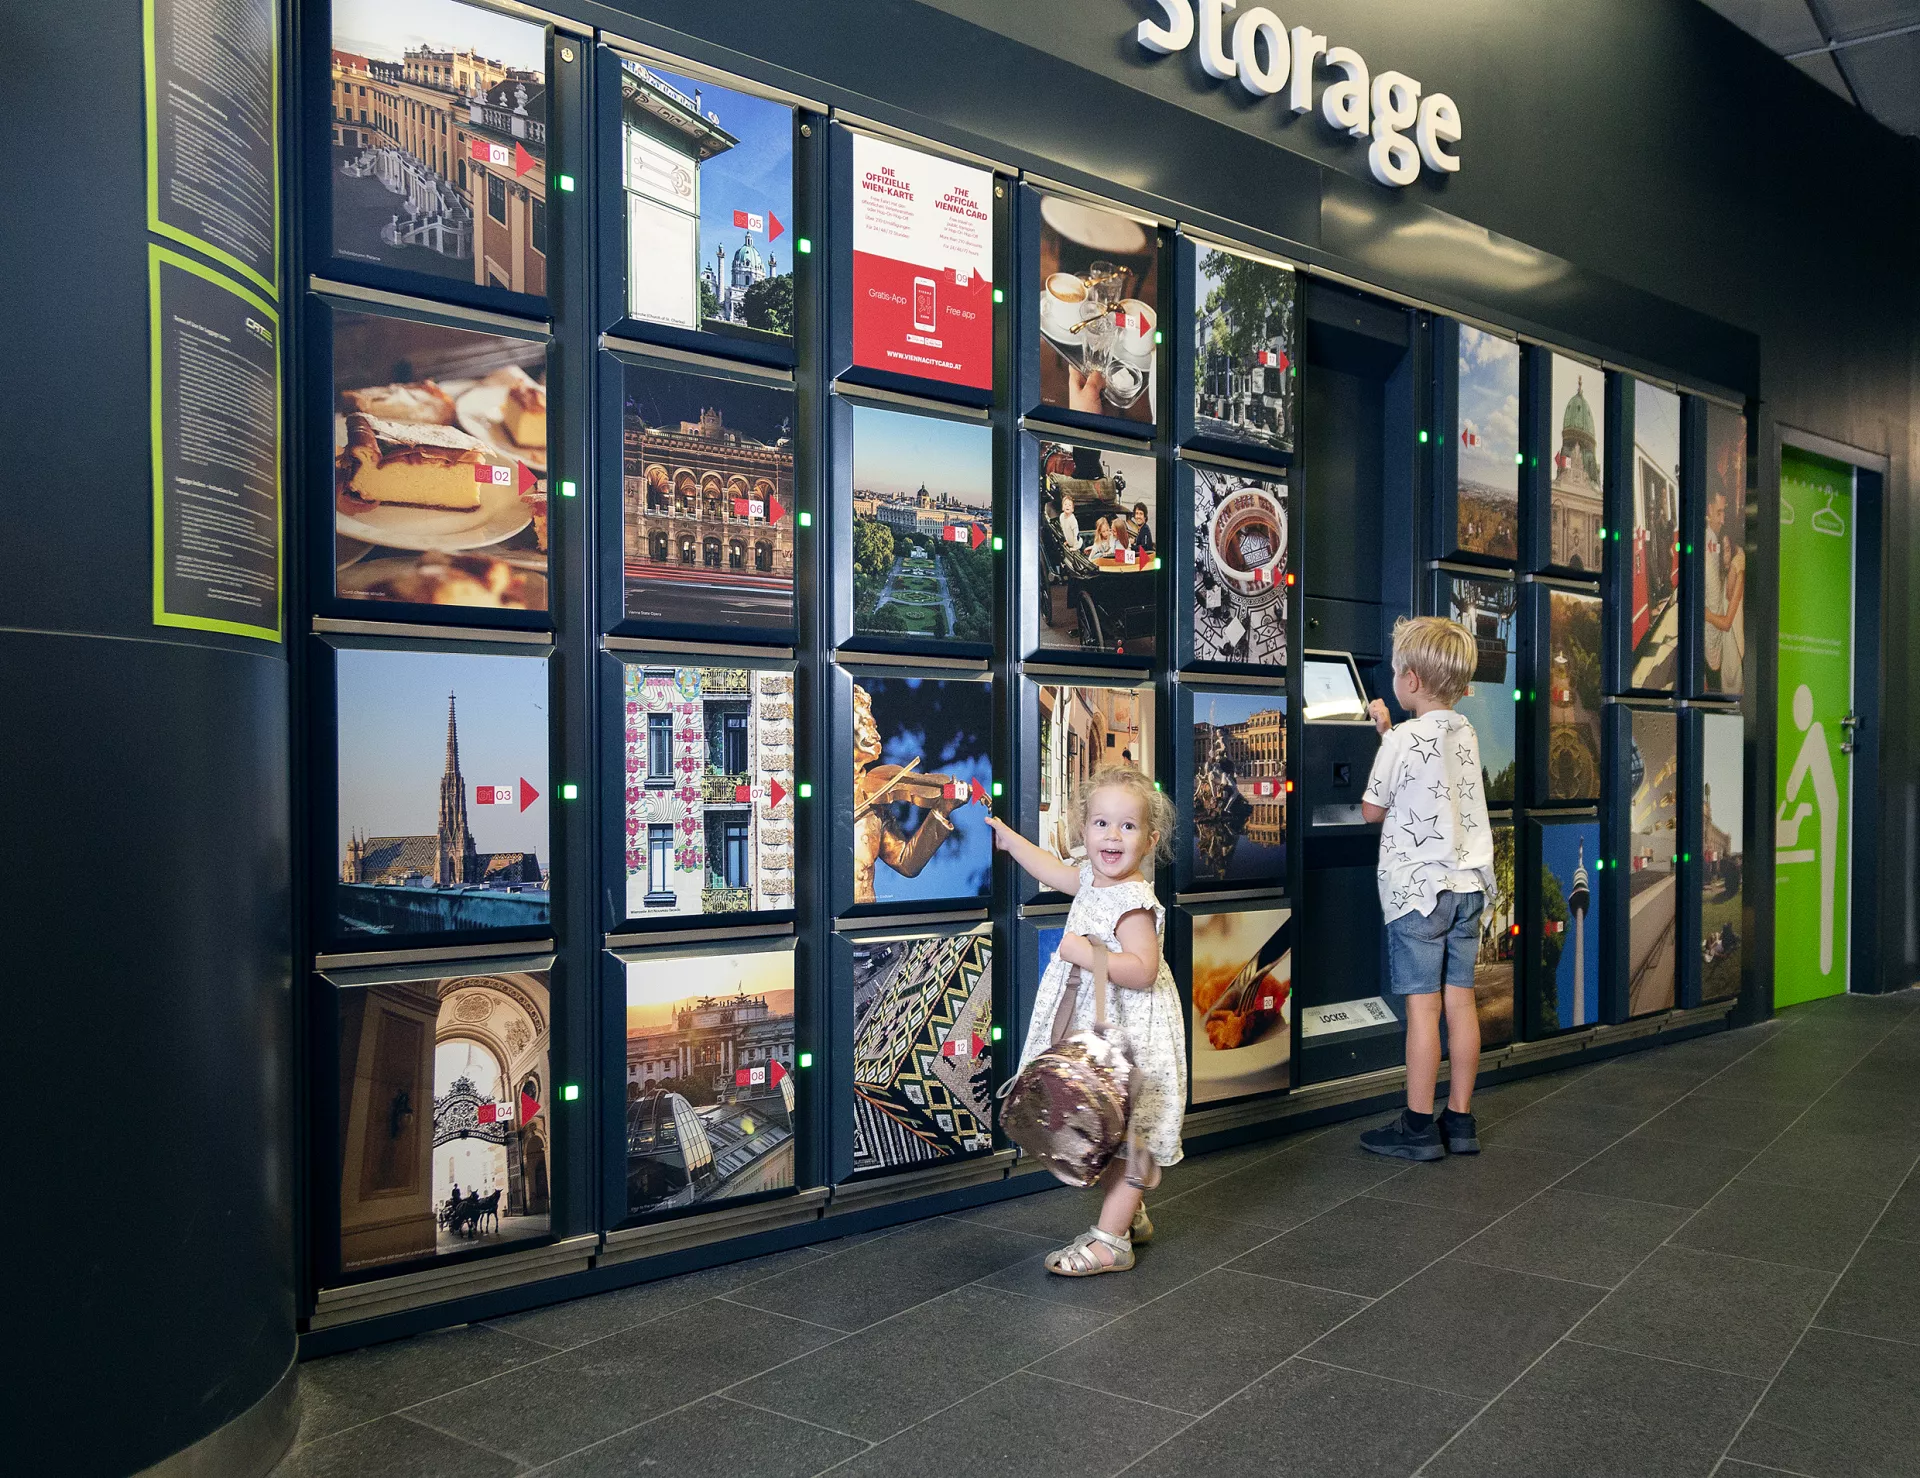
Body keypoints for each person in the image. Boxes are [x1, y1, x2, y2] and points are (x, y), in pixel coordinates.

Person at [987, 764, 1185, 1274]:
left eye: (1127, 826)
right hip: (1100, 1023)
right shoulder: (1093, 879)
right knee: (1108, 1125)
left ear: (1150, 839)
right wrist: (1009, 840)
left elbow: (1141, 971)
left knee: (1132, 1134)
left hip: (1133, 1033)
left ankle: (1109, 1242)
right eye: (1101, 824)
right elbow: (1054, 871)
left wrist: (1082, 953)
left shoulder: (1134, 902)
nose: (1111, 836)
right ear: (1084, 831)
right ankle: (1130, 1213)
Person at [1356, 616, 1496, 1161]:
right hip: (1468, 886)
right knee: (1461, 1002)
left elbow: (1373, 809)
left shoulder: (1404, 739)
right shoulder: (1466, 732)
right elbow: (1433, 777)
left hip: (1419, 892)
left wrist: (1385, 738)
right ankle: (1459, 1121)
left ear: (1410, 679)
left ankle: (1417, 1126)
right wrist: (1390, 730)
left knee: (1422, 1010)